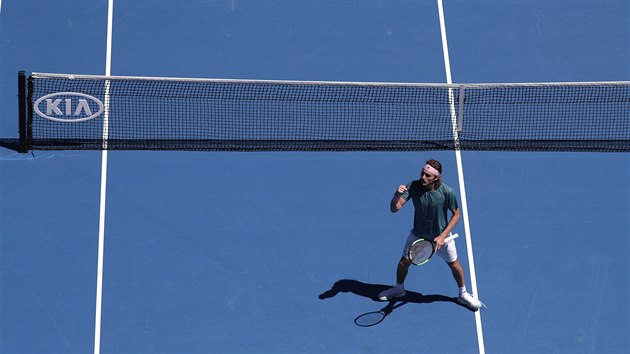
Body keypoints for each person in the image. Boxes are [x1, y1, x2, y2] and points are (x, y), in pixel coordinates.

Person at [377, 159, 483, 311]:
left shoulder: (447, 192)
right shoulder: (413, 186)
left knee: (454, 265)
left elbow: (456, 214)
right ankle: (399, 289)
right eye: (422, 174)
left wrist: (442, 236)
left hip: (442, 236)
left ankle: (463, 294)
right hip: (418, 235)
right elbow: (395, 208)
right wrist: (396, 195)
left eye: (427, 176)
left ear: (436, 178)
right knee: (403, 263)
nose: (423, 178)